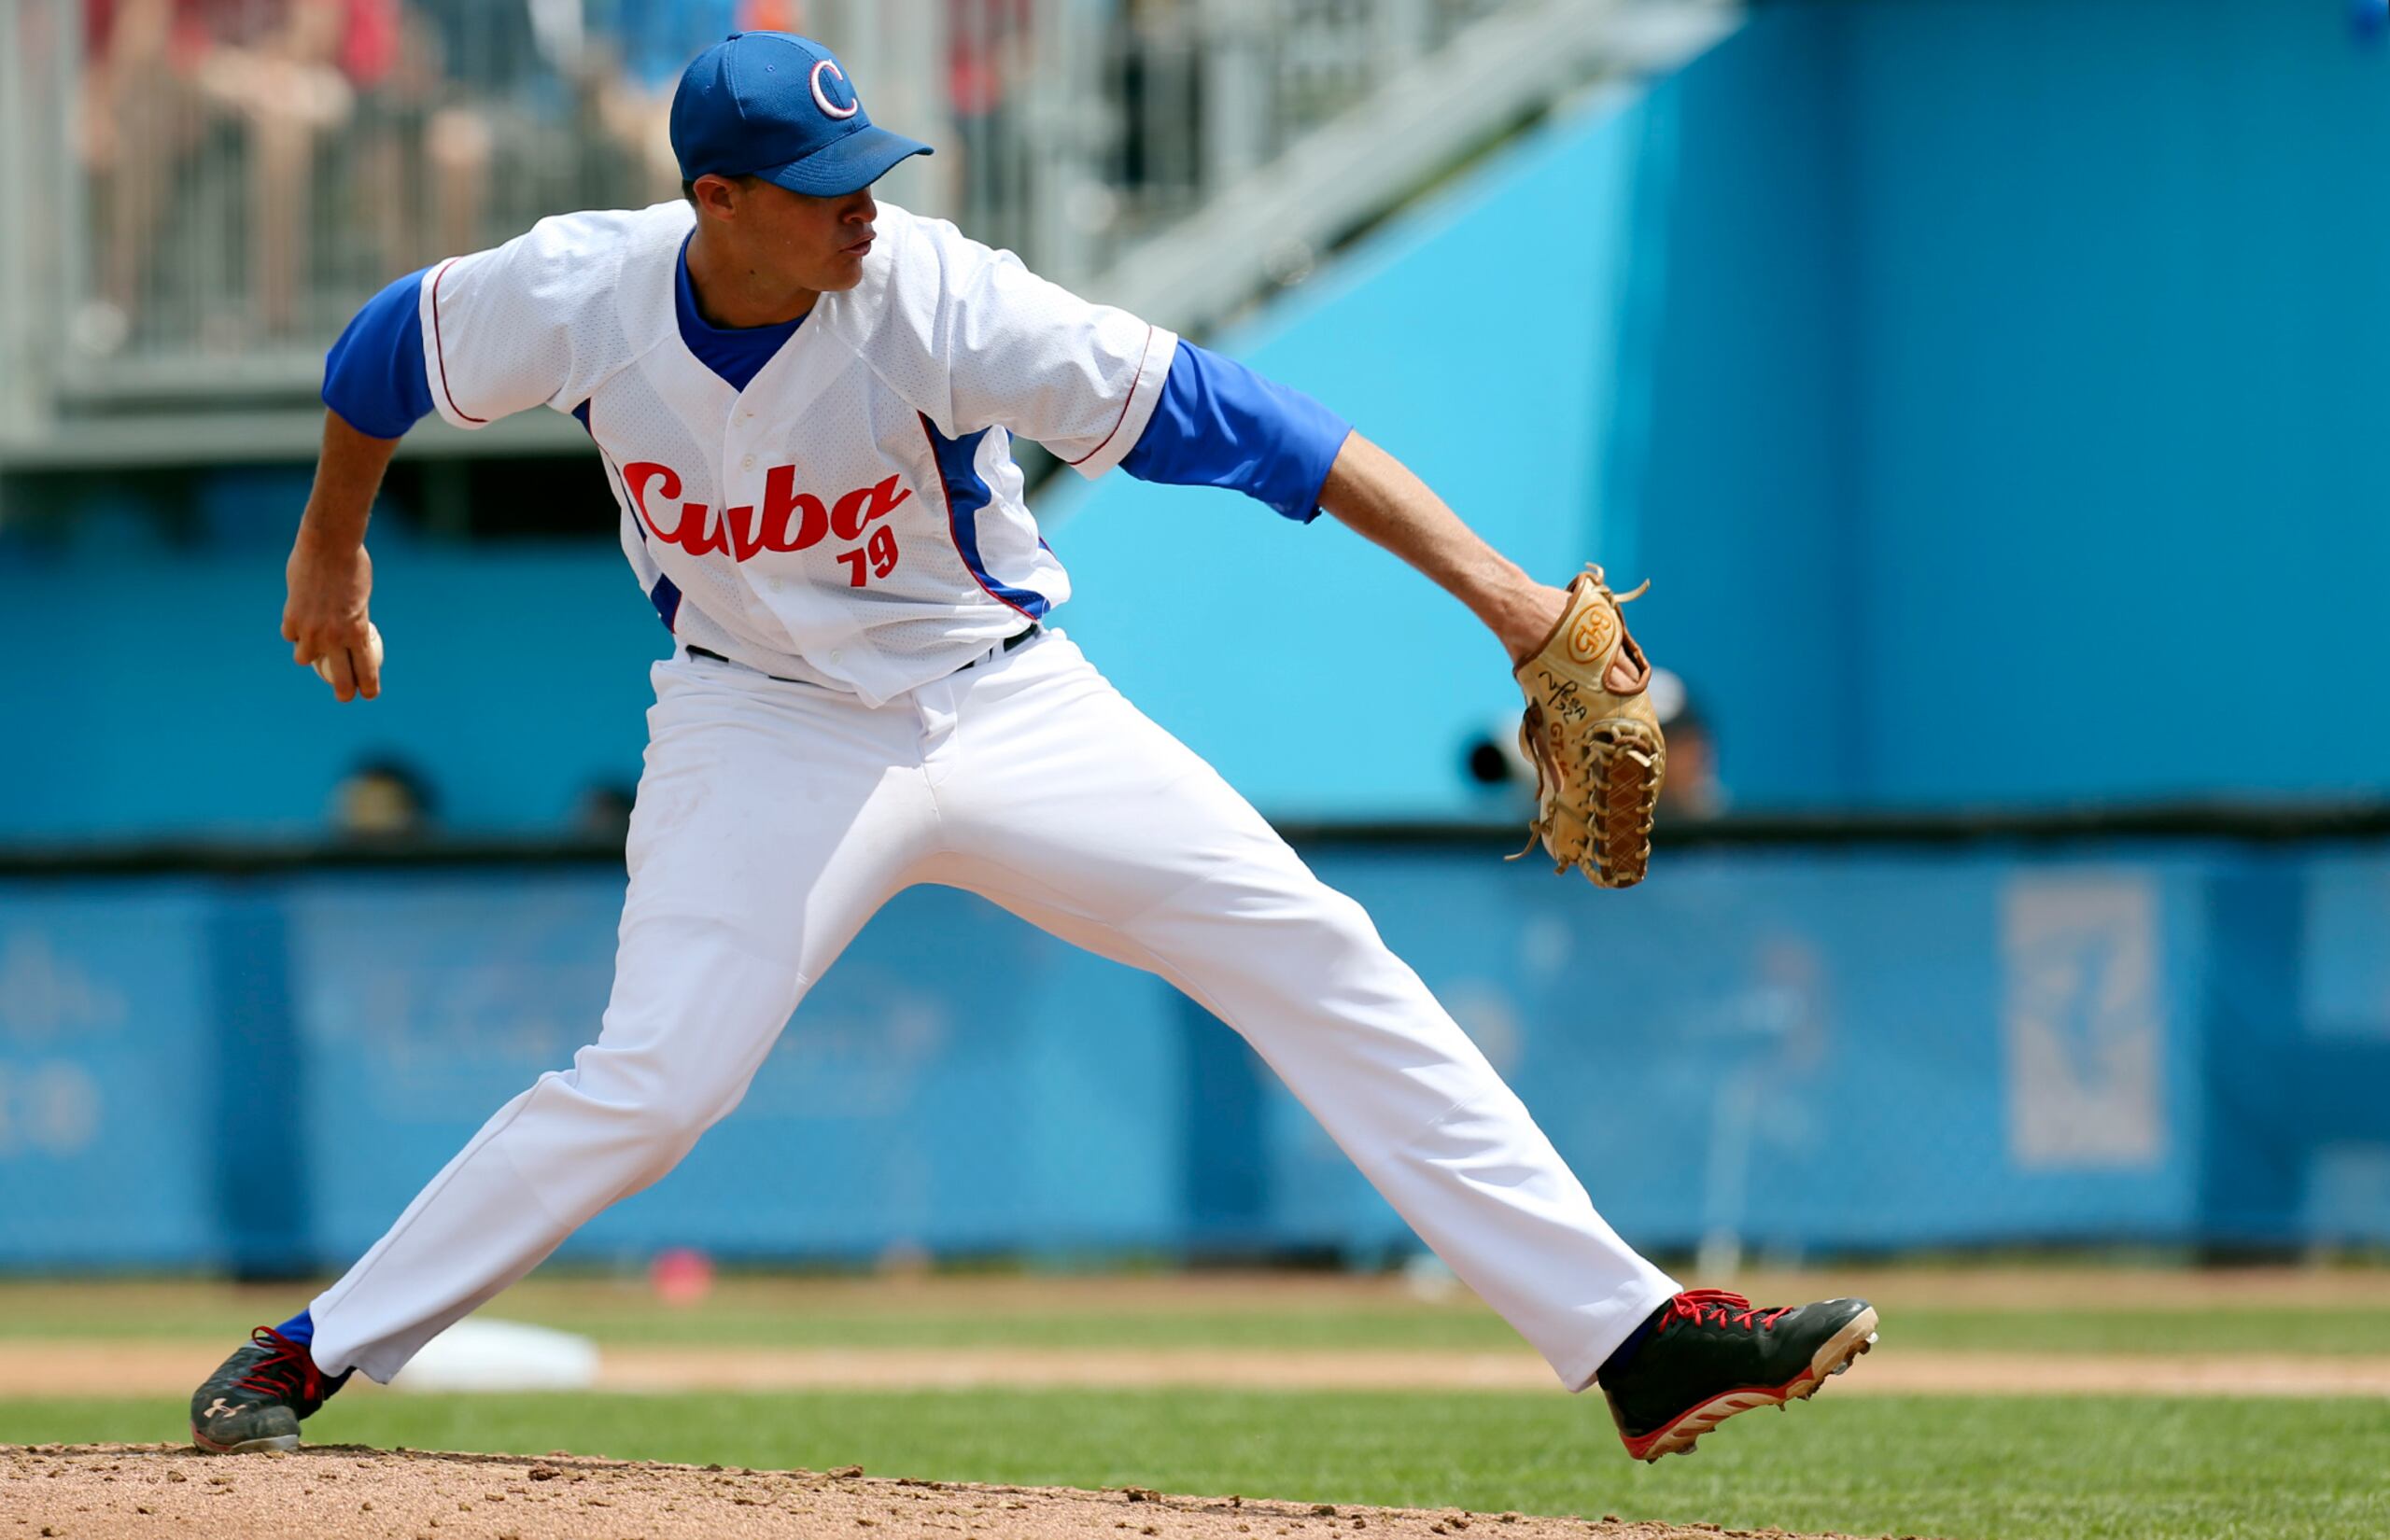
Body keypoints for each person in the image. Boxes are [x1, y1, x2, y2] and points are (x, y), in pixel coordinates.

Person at [186, 31, 1876, 1466]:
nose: (869, 195)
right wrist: (329, 545)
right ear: (716, 203)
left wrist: (1507, 600)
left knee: (1314, 948)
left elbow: (1245, 427)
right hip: (753, 721)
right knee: (658, 1079)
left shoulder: (935, 295)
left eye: (870, 161)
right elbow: (379, 359)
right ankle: (312, 1348)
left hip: (1004, 699)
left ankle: (1636, 1338)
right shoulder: (581, 291)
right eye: (825, 177)